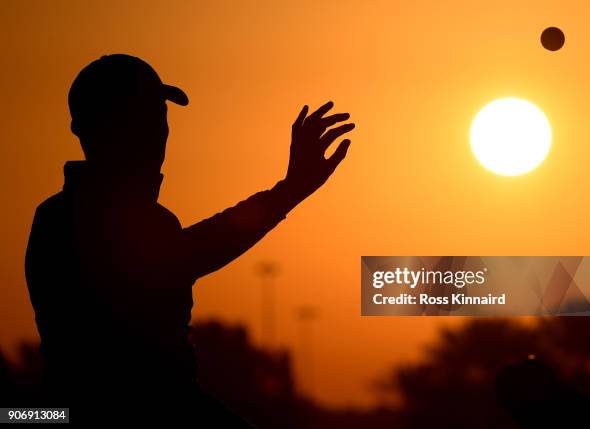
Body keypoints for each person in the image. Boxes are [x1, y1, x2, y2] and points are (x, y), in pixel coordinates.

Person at [24, 54, 354, 423]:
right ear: (99, 130)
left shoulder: (76, 217)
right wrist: (289, 190)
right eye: (142, 121)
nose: (159, 135)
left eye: (159, 120)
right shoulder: (80, 220)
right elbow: (189, 254)